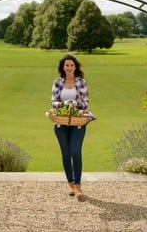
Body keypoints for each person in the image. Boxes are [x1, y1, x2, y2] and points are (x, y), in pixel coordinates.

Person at [51, 54, 89, 199]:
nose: (69, 68)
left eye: (71, 65)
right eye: (66, 65)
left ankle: (78, 185)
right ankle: (70, 184)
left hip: (77, 122)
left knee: (75, 151)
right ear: (63, 67)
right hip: (61, 121)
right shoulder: (58, 82)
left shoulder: (82, 82)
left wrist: (75, 104)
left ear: (75, 67)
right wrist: (60, 104)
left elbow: (86, 102)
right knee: (66, 154)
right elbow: (53, 101)